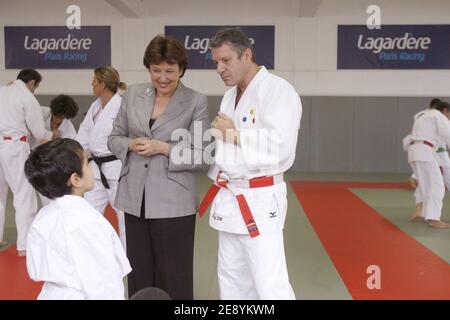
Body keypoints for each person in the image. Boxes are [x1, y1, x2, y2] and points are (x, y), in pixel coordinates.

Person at [198, 28, 301, 300]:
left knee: (269, 283)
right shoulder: (230, 96)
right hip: (231, 196)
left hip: (260, 198)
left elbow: (282, 145)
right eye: (216, 63)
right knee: (231, 279)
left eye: (226, 60)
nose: (220, 68)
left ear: (247, 54)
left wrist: (235, 134)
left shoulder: (278, 90)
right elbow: (226, 149)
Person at [108, 35, 210, 300]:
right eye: (156, 70)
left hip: (174, 202)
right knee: (139, 271)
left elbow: (203, 155)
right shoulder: (132, 94)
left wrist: (163, 148)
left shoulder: (196, 101)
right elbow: (114, 138)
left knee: (174, 274)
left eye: (169, 71)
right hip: (134, 198)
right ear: (148, 68)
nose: (162, 77)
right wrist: (131, 144)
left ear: (181, 69)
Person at [24, 138, 131, 299]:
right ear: (76, 179)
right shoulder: (87, 223)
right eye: (87, 163)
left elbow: (35, 267)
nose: (90, 168)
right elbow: (104, 283)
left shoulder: (42, 218)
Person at [0, 69, 53, 256]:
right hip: (15, 147)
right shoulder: (27, 97)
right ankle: (24, 244)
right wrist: (50, 136)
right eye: (35, 87)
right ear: (31, 82)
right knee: (23, 194)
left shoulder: (2, 90)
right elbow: (39, 133)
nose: (34, 90)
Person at [76, 66, 127, 249]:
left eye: (94, 80)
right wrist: (74, 155)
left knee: (123, 218)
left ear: (102, 84)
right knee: (88, 214)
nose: (92, 83)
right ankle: (91, 253)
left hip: (116, 168)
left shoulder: (122, 106)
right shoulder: (95, 106)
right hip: (95, 169)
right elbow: (83, 136)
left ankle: (127, 259)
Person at [29, 94, 79, 206]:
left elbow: (72, 148)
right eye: (56, 115)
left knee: (48, 197)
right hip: (30, 155)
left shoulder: (68, 128)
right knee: (28, 195)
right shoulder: (41, 113)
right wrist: (50, 135)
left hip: (51, 163)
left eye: (61, 117)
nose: (57, 120)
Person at [408, 101, 450, 228]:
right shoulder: (439, 116)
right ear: (445, 110)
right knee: (437, 185)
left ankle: (428, 215)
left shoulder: (422, 116)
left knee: (426, 185)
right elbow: (448, 135)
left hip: (414, 151)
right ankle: (433, 218)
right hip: (425, 151)